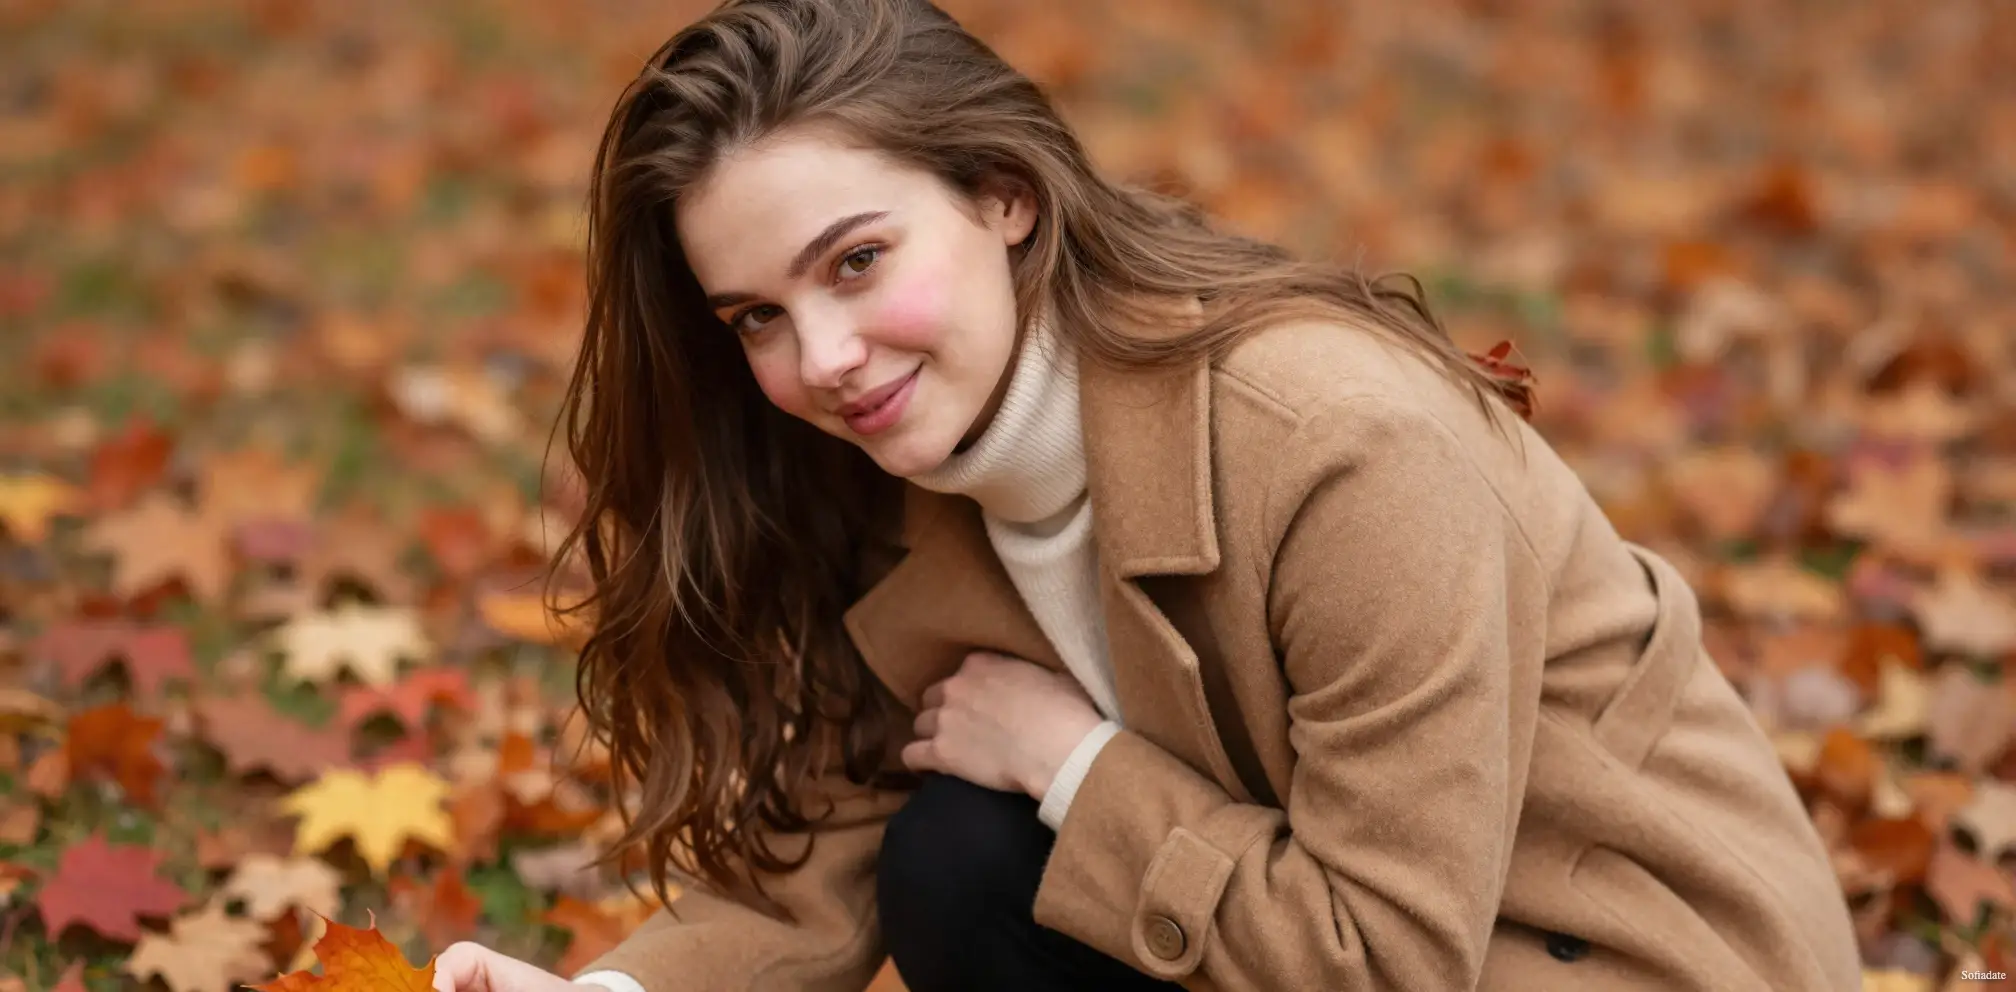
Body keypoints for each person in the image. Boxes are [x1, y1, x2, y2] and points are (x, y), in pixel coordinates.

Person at [430, 0, 1865, 989]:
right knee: (953, 856)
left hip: (1613, 961)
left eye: (856, 261)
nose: (822, 358)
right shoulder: (906, 466)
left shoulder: (1339, 448)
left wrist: (1071, 763)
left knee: (997, 834)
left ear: (1007, 195)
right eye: (755, 316)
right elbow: (831, 860)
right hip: (1309, 937)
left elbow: (1391, 961)